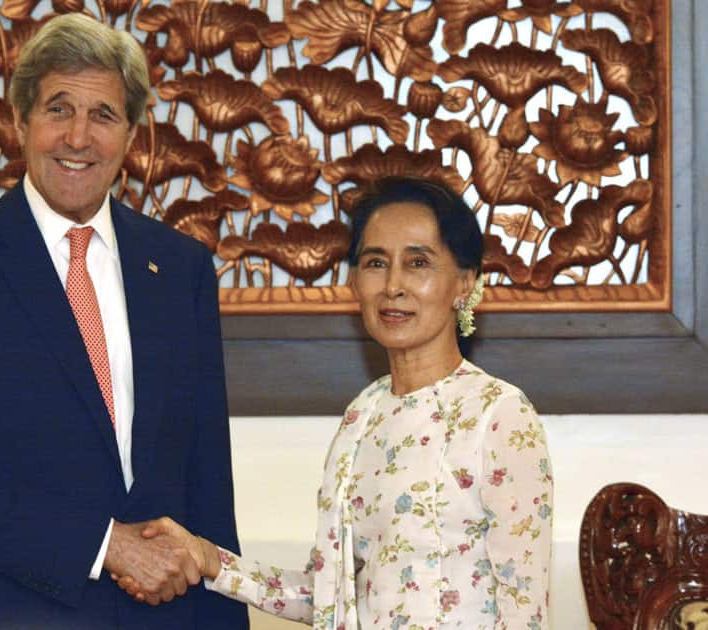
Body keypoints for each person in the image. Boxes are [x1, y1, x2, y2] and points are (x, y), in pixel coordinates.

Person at [0, 13, 248, 629]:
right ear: (22, 121)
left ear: (130, 134)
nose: (78, 137)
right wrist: (106, 544)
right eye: (59, 109)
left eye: (103, 115)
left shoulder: (181, 270)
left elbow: (207, 486)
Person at [117, 177, 554, 628]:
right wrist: (209, 560)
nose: (394, 285)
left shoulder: (498, 415)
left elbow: (526, 614)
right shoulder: (362, 415)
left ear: (464, 283)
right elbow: (328, 596)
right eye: (376, 262)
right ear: (354, 281)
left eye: (418, 262)